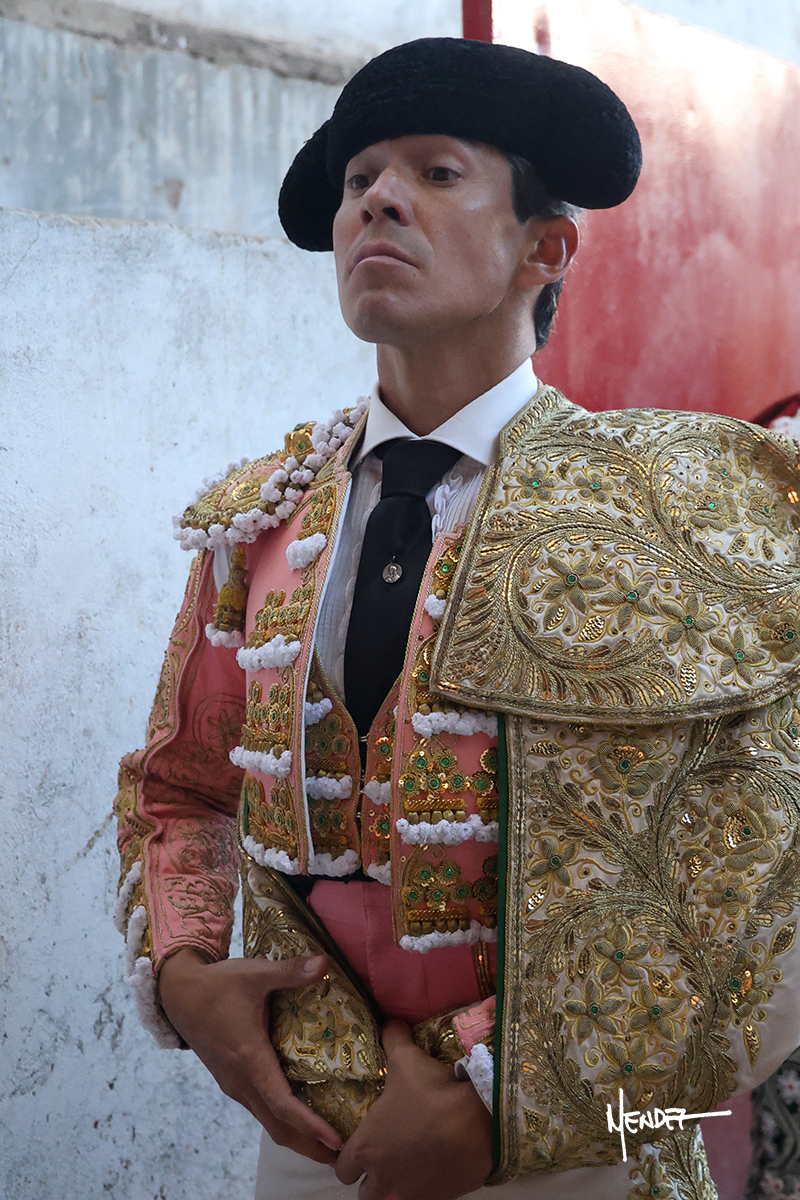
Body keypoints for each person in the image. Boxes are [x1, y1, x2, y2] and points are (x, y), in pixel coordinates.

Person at [114, 36, 800, 1200]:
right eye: (357, 179)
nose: (376, 199)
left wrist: (513, 1120)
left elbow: (767, 896)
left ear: (545, 248)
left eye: (434, 172)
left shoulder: (681, 512)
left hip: (592, 1155)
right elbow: (181, 785)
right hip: (312, 1145)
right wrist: (185, 976)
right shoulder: (261, 521)